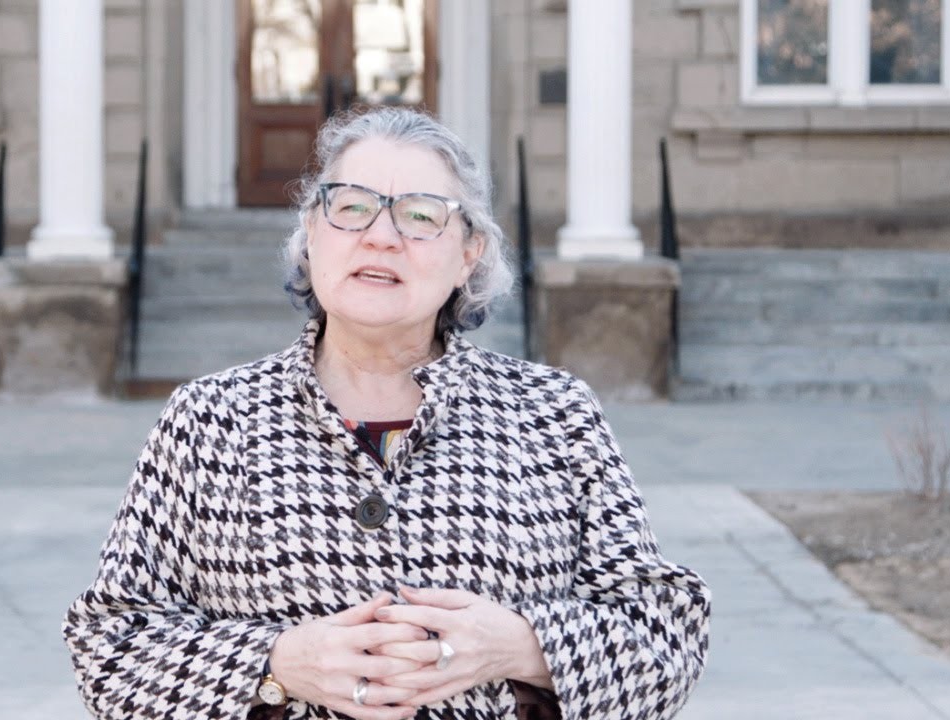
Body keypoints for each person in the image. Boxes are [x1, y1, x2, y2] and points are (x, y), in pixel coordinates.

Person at [62, 107, 711, 720]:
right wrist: (275, 664)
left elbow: (664, 637)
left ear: (469, 253)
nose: (380, 236)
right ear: (312, 233)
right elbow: (108, 648)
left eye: (420, 216)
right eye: (351, 207)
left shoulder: (553, 414)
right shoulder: (210, 421)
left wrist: (521, 646)